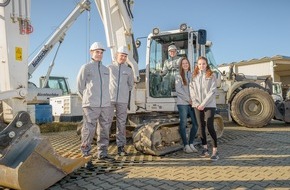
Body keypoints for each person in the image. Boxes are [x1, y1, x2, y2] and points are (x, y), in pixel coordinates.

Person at [77, 42, 114, 170]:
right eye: (97, 52)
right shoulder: (86, 67)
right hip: (90, 105)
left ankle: (102, 153)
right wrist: (88, 99)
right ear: (91, 52)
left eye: (101, 52)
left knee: (104, 129)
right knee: (88, 130)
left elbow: (107, 87)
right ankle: (85, 156)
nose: (99, 54)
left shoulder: (106, 70)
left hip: (105, 105)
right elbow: (80, 87)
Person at [189, 56, 219, 161]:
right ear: (197, 65)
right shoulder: (194, 76)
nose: (202, 65)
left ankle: (215, 150)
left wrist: (203, 104)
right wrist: (197, 103)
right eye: (200, 64)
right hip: (197, 105)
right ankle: (205, 149)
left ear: (207, 64)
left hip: (209, 104)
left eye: (204, 63)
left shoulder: (212, 75)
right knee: (201, 126)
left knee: (210, 126)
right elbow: (192, 91)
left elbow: (212, 91)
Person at [108, 46, 134, 156]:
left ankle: (121, 147)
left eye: (125, 56)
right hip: (109, 100)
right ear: (116, 55)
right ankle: (103, 149)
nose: (123, 57)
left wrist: (123, 93)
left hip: (122, 101)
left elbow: (130, 85)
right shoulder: (109, 68)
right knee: (105, 123)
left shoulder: (128, 70)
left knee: (121, 124)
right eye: (121, 55)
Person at [175, 57, 198, 153]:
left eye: (186, 63)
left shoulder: (192, 75)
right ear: (181, 65)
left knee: (196, 124)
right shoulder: (178, 76)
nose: (185, 64)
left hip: (192, 103)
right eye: (183, 63)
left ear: (189, 64)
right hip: (183, 103)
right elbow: (179, 90)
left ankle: (191, 143)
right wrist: (188, 99)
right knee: (183, 123)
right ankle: (186, 145)